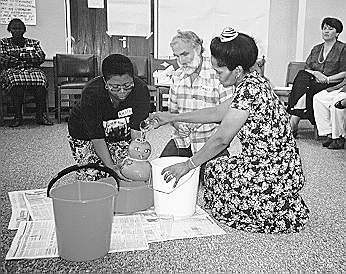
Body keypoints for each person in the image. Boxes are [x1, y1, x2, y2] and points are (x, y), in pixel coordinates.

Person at [149, 27, 309, 233]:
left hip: (271, 170)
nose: (216, 75)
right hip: (281, 165)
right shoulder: (255, 82)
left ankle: (265, 205)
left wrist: (188, 165)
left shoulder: (249, 90)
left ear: (237, 70)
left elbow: (222, 139)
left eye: (219, 71)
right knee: (215, 169)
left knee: (215, 172)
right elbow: (216, 112)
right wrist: (172, 117)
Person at [160, 30, 234, 183]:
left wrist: (200, 122)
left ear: (198, 49)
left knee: (222, 185)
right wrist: (178, 123)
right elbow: (172, 113)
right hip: (182, 140)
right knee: (162, 175)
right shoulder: (177, 76)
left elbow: (229, 116)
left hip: (211, 142)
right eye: (177, 56)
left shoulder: (219, 74)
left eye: (185, 54)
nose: (181, 61)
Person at [67, 54, 151, 181]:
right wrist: (111, 167)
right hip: (86, 135)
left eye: (127, 85)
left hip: (120, 133)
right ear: (105, 82)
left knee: (127, 171)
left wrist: (137, 158)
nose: (122, 91)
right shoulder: (91, 92)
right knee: (94, 176)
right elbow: (96, 137)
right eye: (115, 87)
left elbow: (136, 130)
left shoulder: (141, 90)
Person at [287, 17, 346, 137]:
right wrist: (316, 74)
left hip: (332, 84)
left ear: (338, 33)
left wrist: (327, 79)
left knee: (305, 86)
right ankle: (296, 117)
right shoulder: (316, 48)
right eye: (324, 28)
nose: (326, 31)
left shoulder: (343, 49)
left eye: (330, 29)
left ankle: (293, 119)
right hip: (313, 82)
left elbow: (344, 72)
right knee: (303, 76)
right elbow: (307, 68)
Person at [0, 18, 53, 127]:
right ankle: (18, 116)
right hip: (13, 71)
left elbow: (40, 57)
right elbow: (4, 59)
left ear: (24, 30)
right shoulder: (4, 43)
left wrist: (19, 55)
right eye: (14, 28)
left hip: (32, 70)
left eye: (20, 28)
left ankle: (40, 115)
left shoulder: (33, 43)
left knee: (41, 80)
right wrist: (28, 58)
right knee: (16, 82)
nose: (17, 31)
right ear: (10, 30)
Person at [313, 78, 346, 149]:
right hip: (342, 88)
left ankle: (339, 137)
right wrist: (334, 88)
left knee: (336, 103)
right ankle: (329, 133)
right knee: (318, 98)